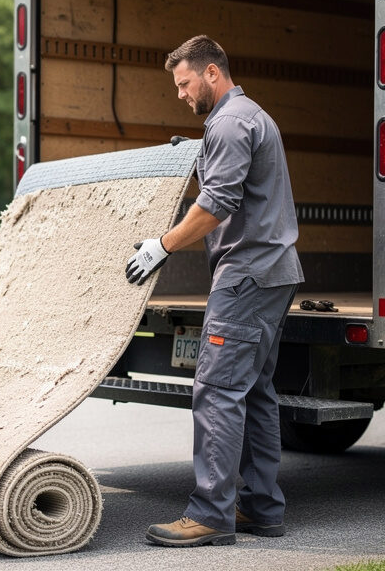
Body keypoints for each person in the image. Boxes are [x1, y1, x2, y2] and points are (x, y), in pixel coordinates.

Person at [125, 35, 304, 547]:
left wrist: (162, 245)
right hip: (274, 272)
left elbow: (218, 203)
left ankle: (209, 514)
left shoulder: (228, 122)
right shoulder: (247, 117)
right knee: (256, 392)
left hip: (247, 274)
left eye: (183, 84)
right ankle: (262, 508)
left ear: (211, 73)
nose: (180, 94)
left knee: (218, 391)